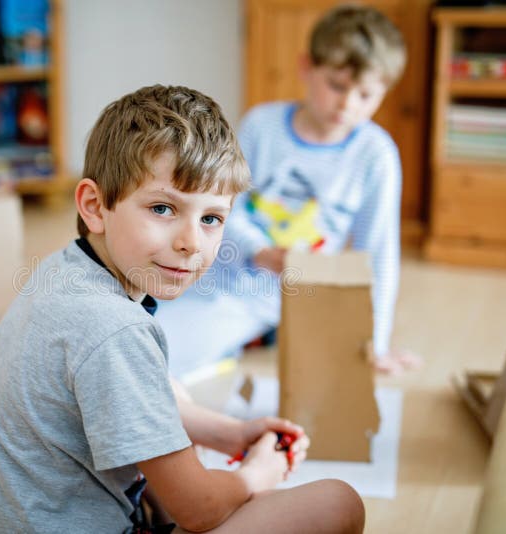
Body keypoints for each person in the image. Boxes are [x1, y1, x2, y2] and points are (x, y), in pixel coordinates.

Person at [0, 85, 365, 533]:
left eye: (211, 218)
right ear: (95, 206)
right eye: (163, 208)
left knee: (169, 389)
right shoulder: (114, 332)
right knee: (338, 503)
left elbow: (138, 394)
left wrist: (227, 433)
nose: (191, 241)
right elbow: (199, 509)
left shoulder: (64, 270)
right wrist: (254, 476)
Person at [157, 5, 420, 377]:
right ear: (306, 68)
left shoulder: (376, 155)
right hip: (210, 264)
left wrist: (373, 343)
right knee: (117, 308)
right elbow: (218, 208)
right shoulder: (261, 126)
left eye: (366, 94)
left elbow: (378, 254)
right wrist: (259, 251)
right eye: (337, 86)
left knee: (156, 351)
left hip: (267, 298)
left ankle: (247, 338)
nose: (348, 104)